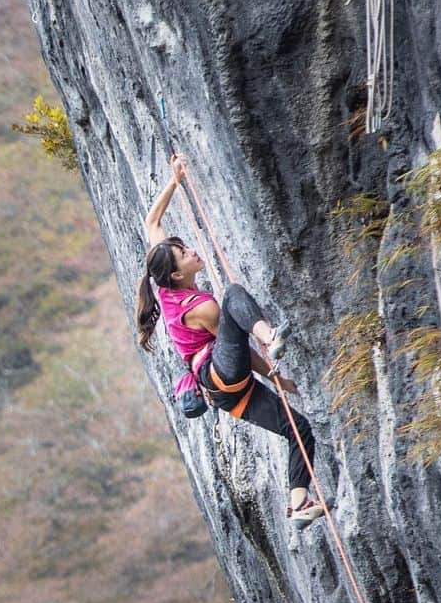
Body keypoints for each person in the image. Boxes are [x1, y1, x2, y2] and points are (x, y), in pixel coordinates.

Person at [136, 156, 327, 527]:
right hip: (220, 375)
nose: (192, 251)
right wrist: (271, 365)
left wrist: (174, 182)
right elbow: (235, 348)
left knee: (298, 428)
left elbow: (151, 223)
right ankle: (270, 334)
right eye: (184, 254)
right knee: (235, 294)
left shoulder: (166, 287)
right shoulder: (199, 307)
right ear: (177, 273)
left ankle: (298, 504)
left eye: (186, 246)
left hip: (225, 392)